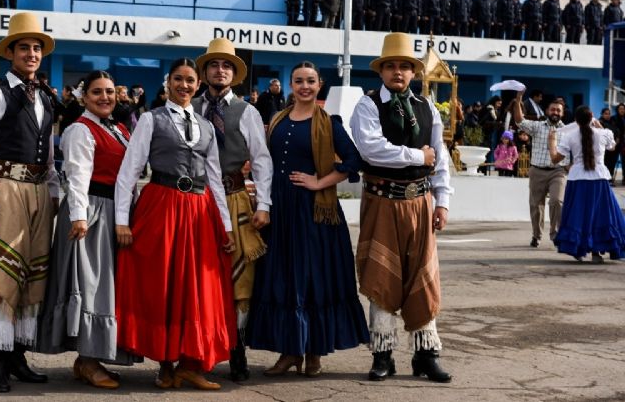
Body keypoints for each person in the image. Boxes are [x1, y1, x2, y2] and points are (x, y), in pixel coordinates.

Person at [114, 57, 236, 390]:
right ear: (168, 82)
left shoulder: (207, 126)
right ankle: (165, 364)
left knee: (195, 287)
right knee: (163, 283)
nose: (184, 85)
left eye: (190, 81)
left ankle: (189, 364)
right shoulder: (151, 120)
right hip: (162, 205)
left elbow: (214, 177)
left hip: (198, 210)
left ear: (198, 85)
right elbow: (130, 171)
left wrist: (225, 225)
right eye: (178, 79)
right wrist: (121, 220)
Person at [248, 61, 369, 378]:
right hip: (281, 211)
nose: (304, 86)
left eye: (310, 81)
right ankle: (290, 351)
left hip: (314, 213)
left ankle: (313, 353)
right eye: (299, 80)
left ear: (319, 85)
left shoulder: (329, 122)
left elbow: (354, 160)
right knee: (285, 279)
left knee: (313, 280)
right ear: (290, 84)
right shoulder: (277, 119)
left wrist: (320, 182)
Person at [0, 12, 59, 393]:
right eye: (25, 48)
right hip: (3, 188)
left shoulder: (47, 97)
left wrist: (53, 191)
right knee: (1, 276)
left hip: (38, 191)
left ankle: (17, 354)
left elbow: (48, 153)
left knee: (32, 276)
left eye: (36, 48)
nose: (32, 54)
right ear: (11, 53)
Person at [350, 32, 453, 383]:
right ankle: (383, 356)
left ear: (413, 72)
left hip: (421, 202)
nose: (398, 72)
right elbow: (371, 150)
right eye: (391, 66)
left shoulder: (427, 108)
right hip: (382, 201)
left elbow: (440, 159)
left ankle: (426, 355)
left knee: (422, 277)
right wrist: (416, 156)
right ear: (381, 71)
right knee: (381, 276)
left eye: (404, 67)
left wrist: (443, 201)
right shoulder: (367, 105)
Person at [36, 70, 134, 389]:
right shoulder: (80, 129)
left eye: (109, 91)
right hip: (90, 212)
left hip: (114, 211)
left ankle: (89, 359)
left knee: (108, 285)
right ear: (84, 97)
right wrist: (79, 216)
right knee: (90, 284)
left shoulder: (119, 128)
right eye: (97, 92)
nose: (105, 97)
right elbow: (77, 176)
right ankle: (88, 361)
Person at [191, 38, 272, 382]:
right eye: (213, 65)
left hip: (236, 197)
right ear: (205, 72)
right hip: (196, 201)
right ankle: (201, 350)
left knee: (239, 276)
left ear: (235, 75)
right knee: (202, 276)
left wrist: (264, 204)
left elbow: (262, 160)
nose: (219, 70)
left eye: (226, 66)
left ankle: (237, 351)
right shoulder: (189, 107)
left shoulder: (247, 110)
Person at [548, 106, 625, 263]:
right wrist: (600, 126)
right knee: (601, 215)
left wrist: (551, 143)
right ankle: (597, 253)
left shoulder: (570, 136)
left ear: (576, 120)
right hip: (599, 179)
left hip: (578, 179)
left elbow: (555, 159)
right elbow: (612, 147)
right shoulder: (604, 133)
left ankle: (579, 250)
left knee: (579, 215)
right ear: (592, 118)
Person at [512, 90, 568, 248]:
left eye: (558, 110)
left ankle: (556, 234)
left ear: (562, 113)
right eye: (553, 109)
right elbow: (519, 121)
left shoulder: (567, 131)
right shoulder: (537, 126)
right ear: (547, 111)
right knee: (536, 205)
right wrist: (518, 100)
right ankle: (536, 235)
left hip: (558, 171)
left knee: (557, 201)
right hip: (537, 170)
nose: (555, 112)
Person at [599, 107, 619, 183]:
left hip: (614, 147)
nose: (608, 115)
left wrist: (616, 141)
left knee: (612, 163)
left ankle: (610, 178)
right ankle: (605, 179)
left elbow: (617, 132)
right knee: (605, 163)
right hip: (604, 148)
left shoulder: (612, 122)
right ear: (602, 114)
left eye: (609, 114)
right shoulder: (600, 122)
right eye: (606, 114)